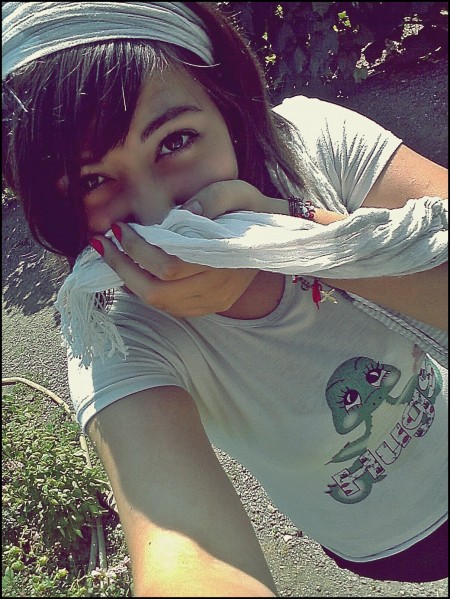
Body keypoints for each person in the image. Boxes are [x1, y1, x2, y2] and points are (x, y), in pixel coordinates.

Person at [2, 2, 448, 596]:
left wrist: (294, 236)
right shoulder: (116, 336)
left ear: (228, 109)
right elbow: (184, 554)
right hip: (382, 545)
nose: (159, 213)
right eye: (92, 181)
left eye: (176, 140)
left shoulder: (315, 151)